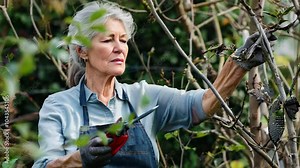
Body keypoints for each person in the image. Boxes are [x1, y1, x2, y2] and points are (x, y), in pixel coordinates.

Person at [32, 1, 276, 168]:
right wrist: (79, 159)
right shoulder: (59, 106)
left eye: (124, 40)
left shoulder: (144, 97)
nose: (120, 48)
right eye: (108, 40)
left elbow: (205, 103)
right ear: (82, 51)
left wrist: (239, 64)